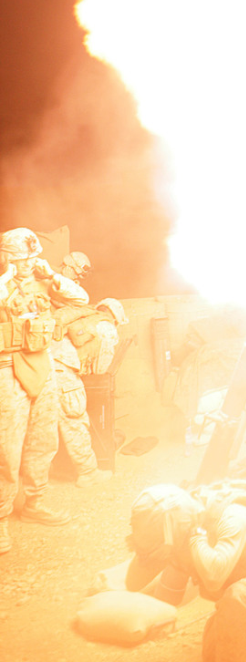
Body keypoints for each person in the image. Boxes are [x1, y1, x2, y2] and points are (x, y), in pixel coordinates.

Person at [125, 479, 246, 662]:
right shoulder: (180, 532)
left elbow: (214, 577)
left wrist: (196, 537)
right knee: (213, 652)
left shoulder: (231, 515)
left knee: (239, 599)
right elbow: (148, 589)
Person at [0, 228, 89, 553]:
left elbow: (81, 299)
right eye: (20, 258)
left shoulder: (43, 279)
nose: (26, 264)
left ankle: (35, 503)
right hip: (6, 371)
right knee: (6, 450)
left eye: (31, 258)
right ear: (8, 256)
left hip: (42, 366)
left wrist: (51, 275)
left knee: (43, 440)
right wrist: (6, 278)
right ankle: (0, 518)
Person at [52, 296, 127, 486]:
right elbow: (101, 370)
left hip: (40, 367)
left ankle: (47, 472)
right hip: (62, 371)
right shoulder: (107, 327)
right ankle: (87, 473)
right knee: (75, 419)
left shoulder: (82, 318)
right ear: (116, 318)